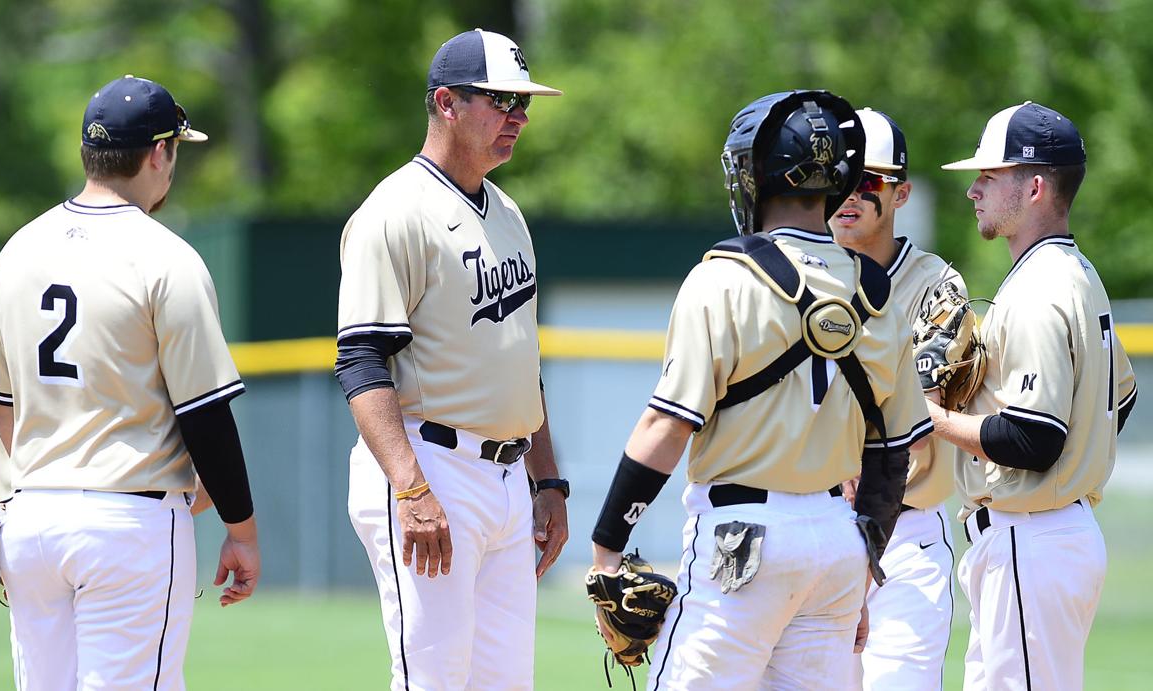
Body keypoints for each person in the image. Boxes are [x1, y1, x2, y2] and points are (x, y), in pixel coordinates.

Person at [588, 90, 933, 690]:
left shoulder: (723, 277)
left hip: (741, 538)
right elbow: (891, 453)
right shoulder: (878, 291)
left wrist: (607, 547)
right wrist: (863, 563)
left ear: (758, 175)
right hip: (836, 541)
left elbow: (668, 425)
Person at [0, 75, 260, 689]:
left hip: (31, 521)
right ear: (159, 153)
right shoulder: (167, 258)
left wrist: (20, 501)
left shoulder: (16, 251)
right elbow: (206, 415)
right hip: (129, 526)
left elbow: (0, 407)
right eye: (176, 150)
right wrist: (242, 530)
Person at [336, 29, 569, 690]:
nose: (519, 117)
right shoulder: (394, 212)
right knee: (434, 681)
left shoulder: (509, 212)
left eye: (524, 103)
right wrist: (411, 488)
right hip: (428, 462)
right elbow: (360, 362)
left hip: (505, 476)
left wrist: (547, 479)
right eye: (501, 101)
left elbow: (521, 361)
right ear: (447, 102)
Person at [933, 102, 1137, 690]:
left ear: (1035, 187)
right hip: (1052, 535)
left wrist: (930, 416)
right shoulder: (1077, 275)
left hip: (1033, 538)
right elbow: (1117, 397)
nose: (973, 190)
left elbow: (1033, 438)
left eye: (989, 176)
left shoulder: (1037, 290)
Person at [830, 108, 959, 689]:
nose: (849, 194)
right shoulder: (794, 273)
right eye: (837, 177)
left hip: (904, 536)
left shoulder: (937, 284)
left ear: (901, 192)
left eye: (868, 182)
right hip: (816, 522)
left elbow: (915, 410)